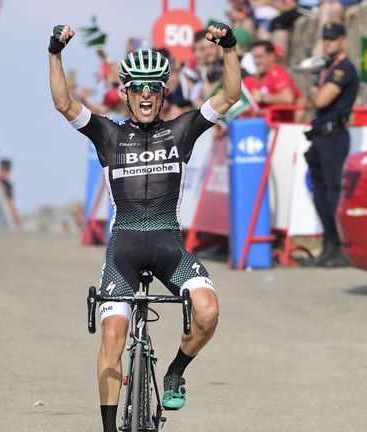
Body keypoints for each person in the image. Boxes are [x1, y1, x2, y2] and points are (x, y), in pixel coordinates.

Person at [49, 22, 240, 432]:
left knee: (207, 312)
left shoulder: (182, 130)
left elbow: (229, 95)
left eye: (154, 86)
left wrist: (229, 48)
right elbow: (65, 104)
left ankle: (173, 372)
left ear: (163, 91)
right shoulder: (108, 134)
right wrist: (55, 53)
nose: (146, 94)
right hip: (124, 249)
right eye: (138, 87)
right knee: (113, 337)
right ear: (126, 93)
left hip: (169, 244)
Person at [303, 23, 358, 268]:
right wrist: (315, 90)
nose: (328, 43)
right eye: (325, 38)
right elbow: (311, 102)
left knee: (331, 192)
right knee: (321, 193)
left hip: (333, 137)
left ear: (343, 40)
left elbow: (321, 100)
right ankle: (328, 245)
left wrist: (315, 90)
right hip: (321, 137)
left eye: (333, 39)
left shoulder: (343, 68)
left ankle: (337, 247)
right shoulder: (327, 68)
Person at [243, 40, 301, 110]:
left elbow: (288, 98)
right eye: (254, 57)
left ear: (271, 56)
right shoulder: (251, 79)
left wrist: (262, 97)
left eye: (260, 57)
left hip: (273, 119)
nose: (256, 61)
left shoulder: (278, 73)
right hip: (254, 119)